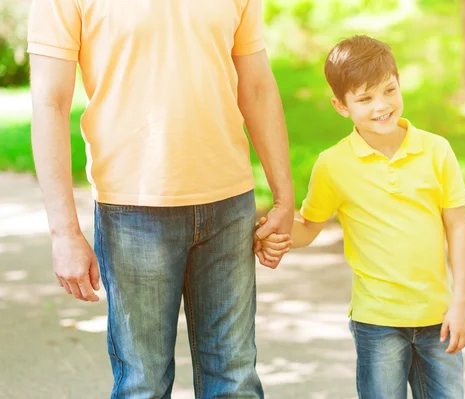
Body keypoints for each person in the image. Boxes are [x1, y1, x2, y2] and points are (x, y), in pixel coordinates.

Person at [27, 0, 293, 397]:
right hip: (132, 211)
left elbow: (256, 85)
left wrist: (284, 198)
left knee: (236, 382)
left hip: (229, 204)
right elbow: (50, 102)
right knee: (143, 385)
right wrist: (63, 232)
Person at [258, 35, 465, 399]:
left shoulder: (436, 151)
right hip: (377, 323)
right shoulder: (333, 165)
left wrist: (462, 304)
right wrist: (270, 232)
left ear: (399, 82)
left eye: (389, 90)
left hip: (439, 318)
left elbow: (458, 226)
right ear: (341, 106)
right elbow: (309, 227)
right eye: (365, 98)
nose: (382, 106)